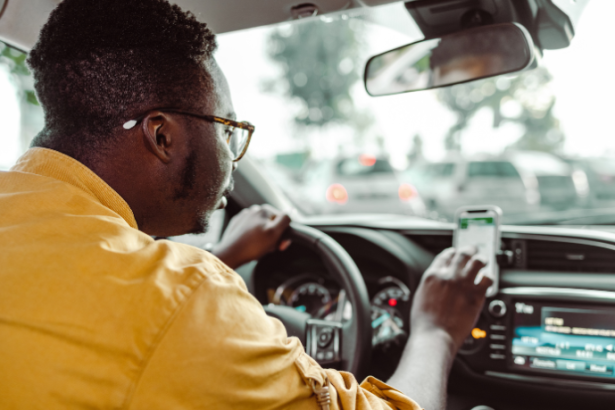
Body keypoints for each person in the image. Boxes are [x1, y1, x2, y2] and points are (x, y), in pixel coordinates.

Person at [0, 1, 492, 409]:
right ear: (162, 136)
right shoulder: (189, 298)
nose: (232, 153)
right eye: (227, 128)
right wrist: (436, 330)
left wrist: (224, 257)